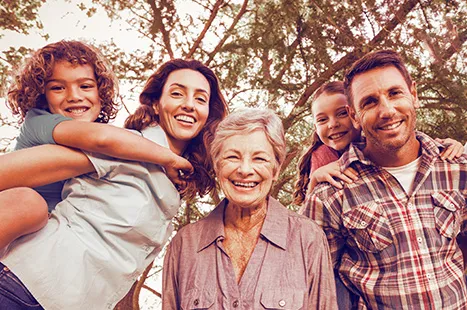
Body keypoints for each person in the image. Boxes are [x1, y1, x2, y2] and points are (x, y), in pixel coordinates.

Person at [0, 57, 228, 310]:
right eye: (177, 93)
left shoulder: (174, 185)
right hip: (24, 289)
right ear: (155, 103)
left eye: (200, 99)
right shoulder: (124, 147)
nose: (189, 105)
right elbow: (6, 171)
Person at [301, 49, 467, 309]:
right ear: (355, 114)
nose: (387, 110)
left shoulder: (456, 167)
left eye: (394, 93)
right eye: (369, 102)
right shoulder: (332, 191)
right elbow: (311, 280)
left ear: (414, 94)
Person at [0, 40, 193, 249]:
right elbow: (103, 139)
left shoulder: (94, 152)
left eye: (85, 86)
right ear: (42, 96)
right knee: (29, 204)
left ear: (101, 93)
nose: (74, 96)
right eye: (57, 88)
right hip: (13, 224)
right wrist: (169, 159)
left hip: (35, 248)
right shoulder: (39, 122)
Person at [162, 108, 337, 309]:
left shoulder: (308, 238)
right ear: (217, 167)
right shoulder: (184, 244)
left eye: (259, 158)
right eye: (232, 157)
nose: (245, 170)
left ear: (276, 170)